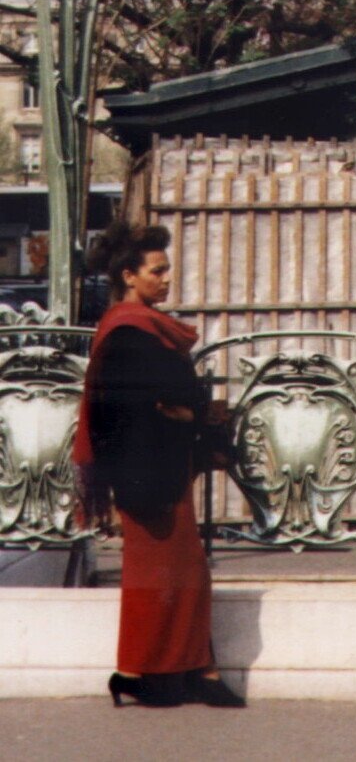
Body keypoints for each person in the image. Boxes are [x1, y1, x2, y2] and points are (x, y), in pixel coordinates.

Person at [73, 222, 244, 708]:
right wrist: (184, 411)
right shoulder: (129, 332)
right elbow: (125, 411)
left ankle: (153, 673)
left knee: (177, 576)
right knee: (167, 578)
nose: (167, 279)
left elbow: (162, 401)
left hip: (160, 470)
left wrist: (181, 411)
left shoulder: (138, 327)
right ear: (130, 275)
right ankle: (173, 673)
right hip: (148, 477)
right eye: (158, 271)